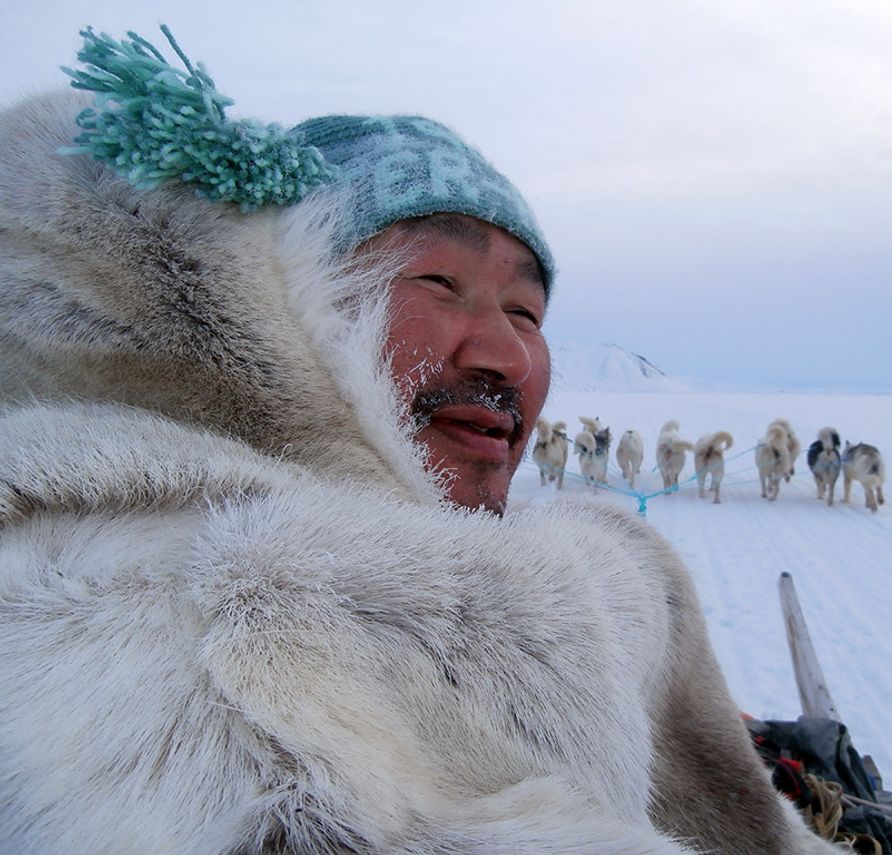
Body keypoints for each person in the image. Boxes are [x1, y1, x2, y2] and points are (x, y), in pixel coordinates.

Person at [0, 27, 841, 854]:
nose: (507, 354)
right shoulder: (135, 615)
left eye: (527, 312)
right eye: (440, 281)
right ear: (282, 300)